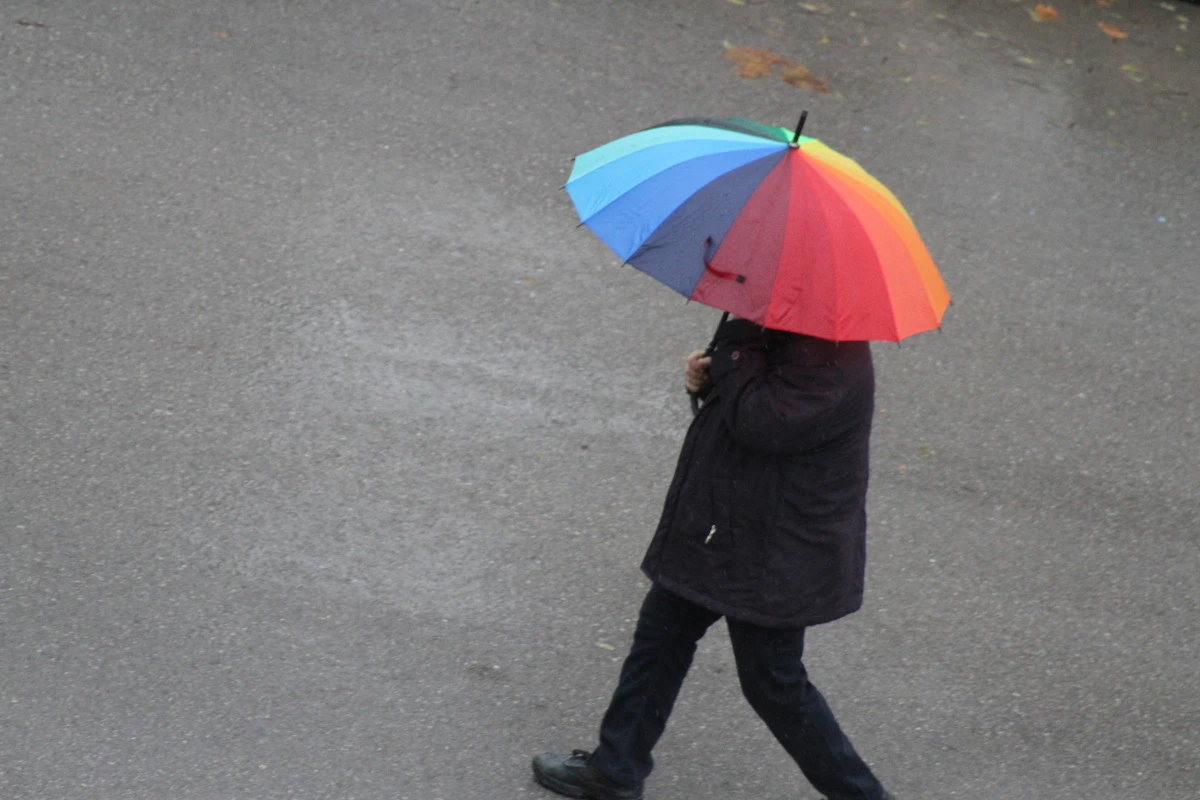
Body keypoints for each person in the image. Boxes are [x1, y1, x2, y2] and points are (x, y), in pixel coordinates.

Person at [531, 316, 895, 800]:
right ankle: (615, 769)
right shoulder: (781, 328)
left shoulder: (830, 357)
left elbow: (763, 423)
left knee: (773, 684)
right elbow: (746, 408)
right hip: (726, 525)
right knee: (661, 637)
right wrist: (709, 382)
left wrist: (733, 351)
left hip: (775, 550)